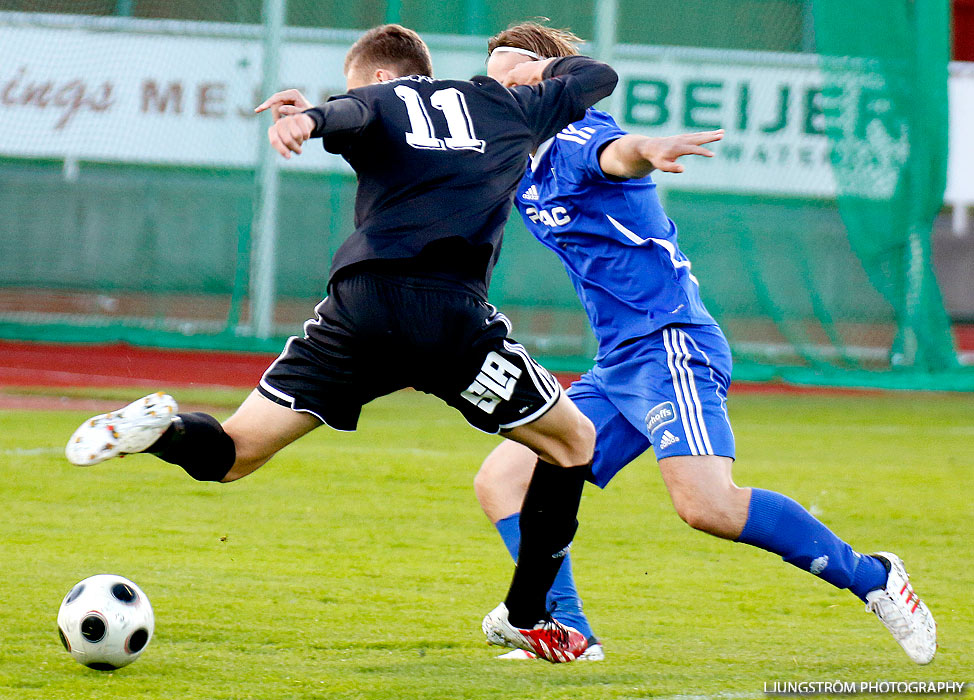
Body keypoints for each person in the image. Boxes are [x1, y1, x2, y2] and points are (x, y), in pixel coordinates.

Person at [65, 24, 620, 663]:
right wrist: (535, 73)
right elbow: (597, 77)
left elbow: (351, 112)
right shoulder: (511, 105)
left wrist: (310, 118)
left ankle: (161, 431)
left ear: (384, 76)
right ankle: (528, 616)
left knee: (236, 453)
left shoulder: (381, 101)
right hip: (445, 318)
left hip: (358, 310)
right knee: (572, 443)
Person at [475, 22, 937, 665]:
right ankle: (568, 634)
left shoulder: (580, 136)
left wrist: (647, 149)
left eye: (513, 71)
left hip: (670, 346)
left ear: (551, 81)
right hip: (619, 363)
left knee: (707, 505)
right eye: (491, 71)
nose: (496, 84)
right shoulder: (518, 161)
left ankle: (875, 578)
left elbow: (619, 152)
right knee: (505, 479)